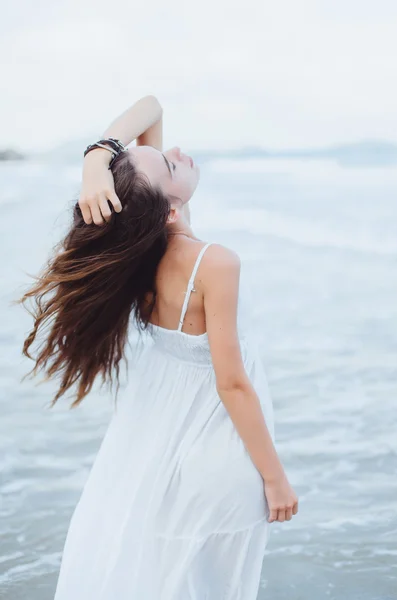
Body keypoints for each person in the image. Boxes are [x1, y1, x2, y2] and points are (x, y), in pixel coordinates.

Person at [19, 95, 298, 599]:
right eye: (170, 162)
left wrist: (96, 159)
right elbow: (233, 384)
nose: (179, 151)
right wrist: (275, 478)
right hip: (217, 449)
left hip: (163, 451)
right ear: (171, 209)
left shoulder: (143, 257)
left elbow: (150, 106)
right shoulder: (215, 262)